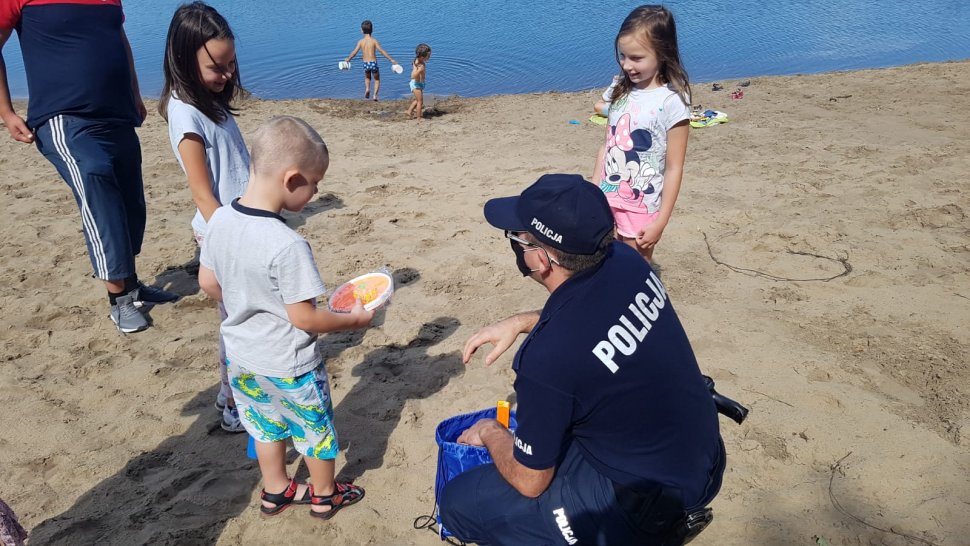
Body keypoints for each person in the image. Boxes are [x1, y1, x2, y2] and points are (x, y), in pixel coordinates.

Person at [438, 174, 725, 545]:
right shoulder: (626, 261)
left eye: (516, 238)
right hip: (700, 454)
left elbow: (530, 480)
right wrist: (522, 321)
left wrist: (491, 432)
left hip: (647, 503)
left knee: (459, 501)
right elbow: (593, 320)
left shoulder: (544, 360)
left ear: (539, 258)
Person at [198, 115, 373, 518]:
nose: (314, 193)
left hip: (242, 359)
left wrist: (247, 301)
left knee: (264, 426)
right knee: (314, 432)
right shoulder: (287, 244)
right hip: (290, 365)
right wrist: (352, 320)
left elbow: (209, 283)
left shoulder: (220, 219)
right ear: (292, 180)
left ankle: (275, 490)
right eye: (315, 184)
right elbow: (306, 319)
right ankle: (324, 494)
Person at [0, 0, 179, 333]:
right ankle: (120, 301)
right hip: (62, 119)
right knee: (97, 183)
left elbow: (119, 38)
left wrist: (135, 92)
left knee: (130, 202)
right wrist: (7, 113)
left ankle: (133, 284)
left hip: (116, 113)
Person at [159, 1, 248, 433]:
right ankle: (235, 407)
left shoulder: (210, 101)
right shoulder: (185, 113)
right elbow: (202, 193)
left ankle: (226, 393)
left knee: (241, 319)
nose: (228, 74)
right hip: (224, 234)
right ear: (184, 58)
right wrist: (234, 240)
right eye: (218, 66)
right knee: (241, 324)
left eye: (232, 63)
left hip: (242, 225)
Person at [592, 5, 691, 263]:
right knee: (605, 264)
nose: (627, 65)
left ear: (663, 53)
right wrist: (594, 188)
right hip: (607, 196)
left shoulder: (672, 101)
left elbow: (674, 167)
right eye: (623, 56)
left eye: (636, 58)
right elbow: (607, 145)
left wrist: (661, 220)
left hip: (642, 203)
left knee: (636, 269)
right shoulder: (620, 91)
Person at [343, 20, 398, 101]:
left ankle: (367, 89)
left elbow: (354, 52)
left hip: (365, 63)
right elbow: (382, 51)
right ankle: (375, 95)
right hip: (373, 63)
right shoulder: (374, 41)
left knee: (367, 78)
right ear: (372, 30)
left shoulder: (361, 42)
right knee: (377, 79)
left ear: (362, 31)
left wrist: (348, 59)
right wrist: (391, 59)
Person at [405, 43, 431, 121]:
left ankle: (409, 111)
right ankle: (419, 118)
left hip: (419, 84)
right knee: (420, 101)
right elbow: (413, 76)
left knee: (417, 100)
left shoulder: (419, 61)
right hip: (416, 85)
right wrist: (419, 70)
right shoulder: (418, 64)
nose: (429, 57)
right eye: (428, 56)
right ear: (422, 57)